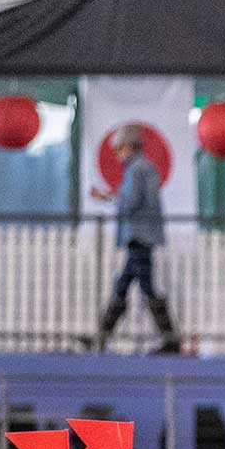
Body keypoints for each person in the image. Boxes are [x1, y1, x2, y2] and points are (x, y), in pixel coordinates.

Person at [88, 126, 181, 354]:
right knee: (125, 284)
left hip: (139, 235)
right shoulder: (144, 168)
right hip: (142, 235)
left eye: (119, 149)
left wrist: (109, 197)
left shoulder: (137, 169)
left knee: (141, 286)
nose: (117, 154)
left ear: (128, 146)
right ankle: (101, 336)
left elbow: (130, 201)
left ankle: (170, 341)